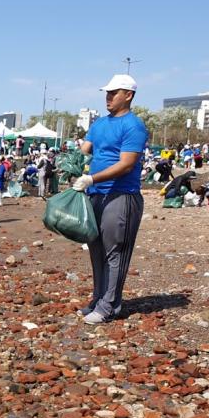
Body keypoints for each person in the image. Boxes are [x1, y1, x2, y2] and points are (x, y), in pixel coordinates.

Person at [73, 74, 149, 325]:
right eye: (107, 92)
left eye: (113, 92)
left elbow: (127, 164)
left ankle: (109, 306)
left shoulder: (134, 126)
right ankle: (98, 298)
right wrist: (74, 162)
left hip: (121, 195)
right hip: (95, 194)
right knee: (96, 249)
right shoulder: (99, 124)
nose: (108, 97)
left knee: (115, 251)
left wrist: (92, 178)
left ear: (128, 95)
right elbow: (86, 150)